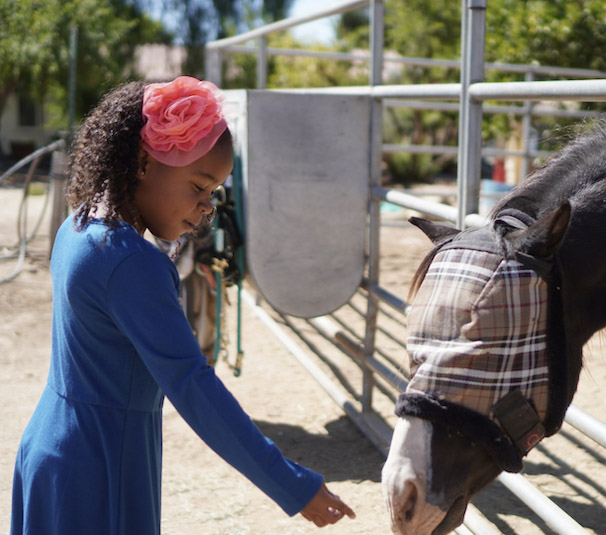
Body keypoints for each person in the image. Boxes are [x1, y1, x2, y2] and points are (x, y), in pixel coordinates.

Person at [10, 76, 355, 534]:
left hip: (52, 449)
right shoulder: (132, 262)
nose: (205, 207)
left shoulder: (80, 224)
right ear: (142, 161)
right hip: (102, 468)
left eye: (212, 193)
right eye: (197, 186)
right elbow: (192, 387)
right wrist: (291, 484)